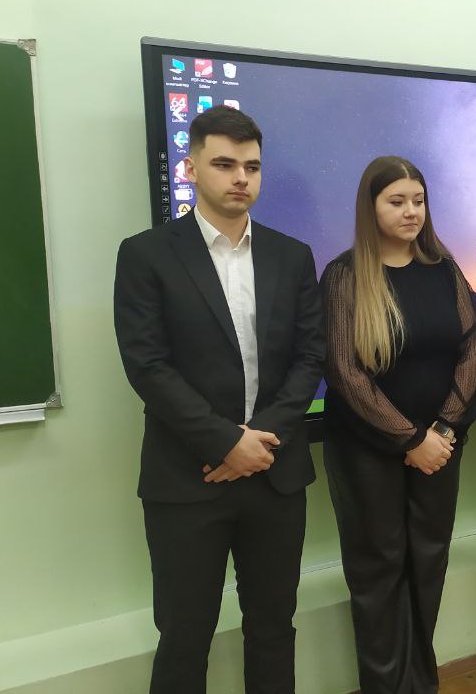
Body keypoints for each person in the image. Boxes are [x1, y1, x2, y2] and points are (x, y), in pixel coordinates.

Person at [113, 105, 325, 694]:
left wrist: (259, 441)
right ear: (191, 168)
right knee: (185, 635)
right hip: (188, 479)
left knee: (273, 627)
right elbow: (147, 365)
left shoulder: (292, 255)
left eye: (251, 167)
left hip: (275, 474)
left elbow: (310, 356)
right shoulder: (146, 254)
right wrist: (227, 442)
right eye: (225, 164)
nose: (240, 178)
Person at [320, 156, 476, 694]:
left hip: (441, 448)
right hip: (368, 451)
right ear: (370, 208)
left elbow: (472, 348)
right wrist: (410, 438)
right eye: (397, 201)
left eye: (419, 200)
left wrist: (444, 429)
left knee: (428, 563)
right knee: (378, 570)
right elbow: (344, 372)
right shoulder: (345, 276)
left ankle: (420, 684)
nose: (412, 211)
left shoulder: (444, 269)